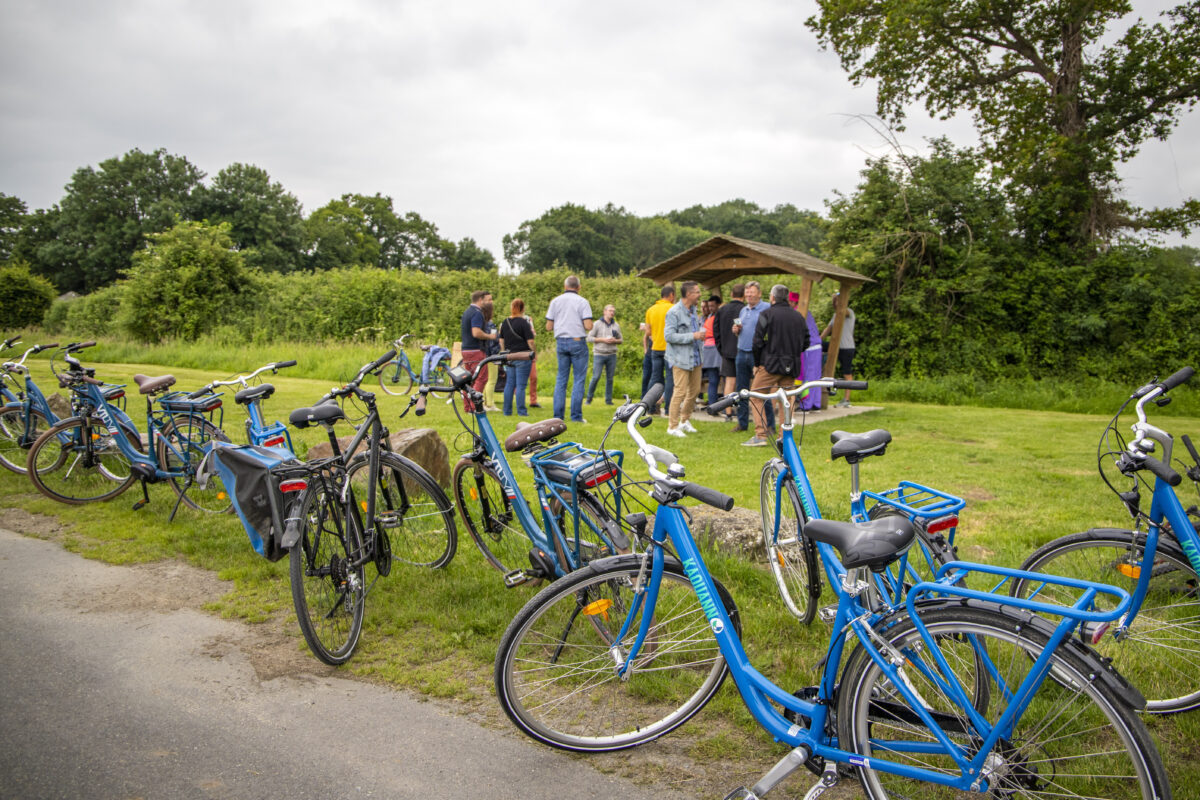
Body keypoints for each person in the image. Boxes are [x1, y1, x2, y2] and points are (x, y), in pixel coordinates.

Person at [745, 284, 810, 446]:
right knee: (786, 400)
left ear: (772, 298)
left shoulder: (767, 313)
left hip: (770, 363)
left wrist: (758, 362)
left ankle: (761, 435)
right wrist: (793, 353)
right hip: (791, 364)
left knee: (755, 396)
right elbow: (806, 341)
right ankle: (784, 437)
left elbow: (757, 341)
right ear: (787, 298)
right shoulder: (798, 317)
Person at [545, 275, 593, 423]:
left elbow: (548, 327)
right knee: (578, 379)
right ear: (579, 287)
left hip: (561, 342)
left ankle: (558, 416)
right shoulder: (583, 302)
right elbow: (588, 326)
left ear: (565, 286)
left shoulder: (555, 301)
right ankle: (576, 416)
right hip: (577, 341)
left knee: (561, 379)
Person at [663, 281, 705, 438]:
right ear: (688, 294)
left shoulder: (694, 310)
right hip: (680, 358)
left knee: (694, 391)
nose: (700, 295)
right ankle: (672, 426)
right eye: (697, 292)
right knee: (680, 392)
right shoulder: (674, 312)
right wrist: (692, 336)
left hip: (696, 357)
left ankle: (684, 421)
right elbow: (669, 336)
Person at [731, 281, 772, 434]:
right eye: (747, 293)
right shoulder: (743, 310)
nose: (749, 295)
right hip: (741, 353)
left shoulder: (767, 308)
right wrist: (736, 330)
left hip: (759, 355)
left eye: (752, 292)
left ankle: (769, 425)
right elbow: (740, 331)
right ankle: (742, 423)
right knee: (742, 390)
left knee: (761, 391)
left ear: (759, 293)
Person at [459, 289, 497, 413]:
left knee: (468, 380)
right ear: (481, 300)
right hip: (476, 350)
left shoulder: (467, 312)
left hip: (466, 349)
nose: (491, 303)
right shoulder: (477, 313)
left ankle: (467, 406)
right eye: (489, 300)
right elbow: (476, 332)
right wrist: (489, 336)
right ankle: (474, 405)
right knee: (482, 377)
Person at [712, 283, 744, 422]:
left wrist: (721, 348)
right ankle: (743, 412)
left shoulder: (721, 310)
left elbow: (716, 331)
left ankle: (728, 413)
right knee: (743, 383)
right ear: (744, 295)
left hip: (726, 351)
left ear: (731, 294)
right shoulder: (745, 310)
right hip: (742, 350)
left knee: (729, 383)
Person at [500, 298, 536, 416]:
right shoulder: (524, 323)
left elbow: (501, 340)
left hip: (510, 356)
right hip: (523, 356)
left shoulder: (505, 322)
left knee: (509, 384)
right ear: (523, 309)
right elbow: (530, 341)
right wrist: (534, 352)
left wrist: (504, 352)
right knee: (521, 385)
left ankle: (507, 411)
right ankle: (521, 411)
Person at [642, 285, 675, 415]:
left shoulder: (651, 310)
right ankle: (668, 409)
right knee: (670, 378)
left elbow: (648, 331)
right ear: (671, 295)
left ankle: (650, 408)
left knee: (655, 378)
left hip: (655, 348)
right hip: (670, 349)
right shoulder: (673, 309)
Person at [821, 293, 857, 408]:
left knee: (847, 372)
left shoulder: (849, 312)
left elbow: (843, 311)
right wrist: (817, 340)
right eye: (835, 301)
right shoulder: (835, 315)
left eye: (839, 301)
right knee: (820, 346)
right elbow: (828, 329)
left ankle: (846, 399)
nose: (837, 303)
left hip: (847, 348)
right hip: (835, 346)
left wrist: (841, 301)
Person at [586, 304, 622, 405]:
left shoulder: (616, 325)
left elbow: (621, 340)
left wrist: (615, 340)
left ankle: (608, 400)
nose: (612, 313)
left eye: (613, 311)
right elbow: (589, 338)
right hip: (599, 354)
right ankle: (589, 398)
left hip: (612, 354)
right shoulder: (597, 324)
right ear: (604, 311)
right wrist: (603, 340)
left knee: (610, 378)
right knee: (596, 377)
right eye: (610, 311)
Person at [700, 294, 721, 406]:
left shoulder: (710, 317)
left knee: (714, 379)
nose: (710, 308)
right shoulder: (713, 317)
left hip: (710, 349)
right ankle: (714, 404)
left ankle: (714, 403)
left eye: (712, 306)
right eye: (709, 306)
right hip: (712, 350)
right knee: (714, 379)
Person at [480, 300, 501, 412]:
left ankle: (482, 401)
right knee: (492, 380)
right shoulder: (490, 324)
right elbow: (493, 340)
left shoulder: (481, 323)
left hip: (483, 354)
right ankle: (490, 403)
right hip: (491, 355)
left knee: (484, 379)